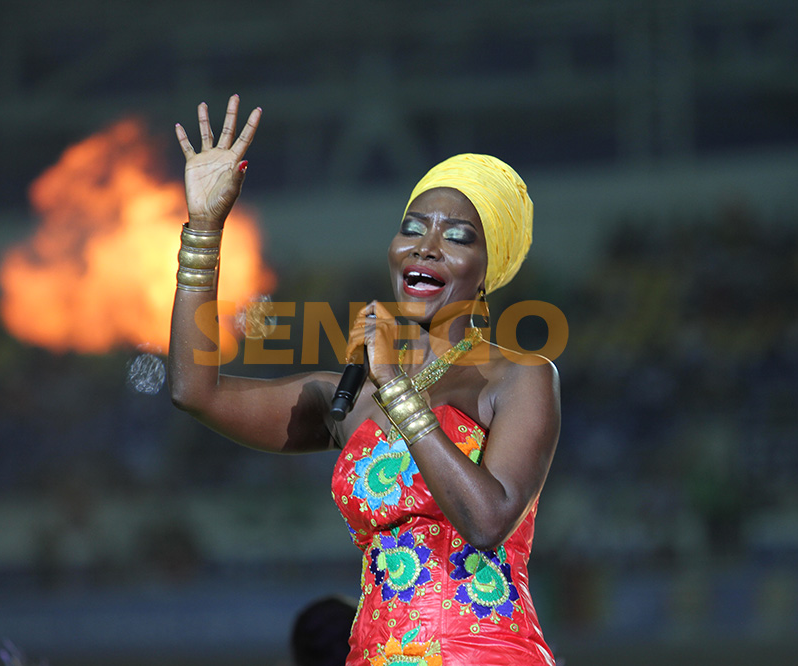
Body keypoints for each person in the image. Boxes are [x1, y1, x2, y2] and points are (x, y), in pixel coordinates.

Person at [170, 96, 560, 666]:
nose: (425, 245)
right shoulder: (350, 396)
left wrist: (398, 388)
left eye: (457, 236)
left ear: (486, 270)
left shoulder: (519, 377)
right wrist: (204, 228)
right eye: (412, 228)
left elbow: (488, 518)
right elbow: (195, 391)